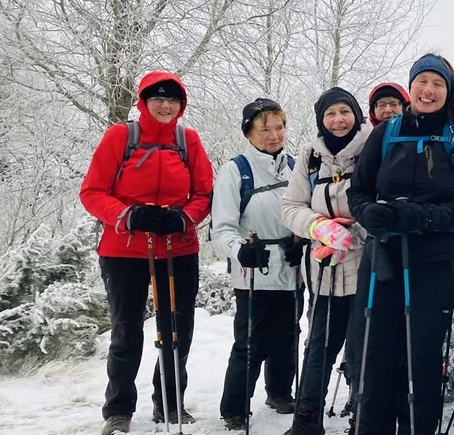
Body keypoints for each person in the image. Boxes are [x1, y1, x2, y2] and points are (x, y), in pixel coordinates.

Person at [347, 53, 454, 435]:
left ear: (449, 92)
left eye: (438, 84)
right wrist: (367, 213)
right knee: (375, 354)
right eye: (422, 82)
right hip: (385, 255)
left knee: (421, 355)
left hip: (439, 259)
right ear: (410, 87)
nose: (428, 90)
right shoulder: (387, 131)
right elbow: (358, 190)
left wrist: (429, 217)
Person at [80, 72, 215, 435]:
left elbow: (205, 192)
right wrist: (128, 214)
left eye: (172, 99)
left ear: (181, 104)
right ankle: (118, 410)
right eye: (157, 98)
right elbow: (92, 191)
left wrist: (185, 219)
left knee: (178, 328)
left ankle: (169, 403)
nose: (165, 105)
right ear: (144, 101)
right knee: (126, 330)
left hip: (177, 247)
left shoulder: (189, 141)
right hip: (124, 250)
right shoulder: (121, 137)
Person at [280, 87, 370, 435]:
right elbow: (290, 206)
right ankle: (306, 422)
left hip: (366, 268)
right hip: (323, 271)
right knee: (319, 347)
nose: (338, 120)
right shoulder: (311, 155)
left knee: (363, 351)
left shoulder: (372, 148)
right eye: (330, 113)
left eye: (344, 111)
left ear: (355, 114)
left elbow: (383, 200)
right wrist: (318, 226)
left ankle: (364, 420)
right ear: (321, 119)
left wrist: (353, 233)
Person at [212, 98, 305, 431]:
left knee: (288, 334)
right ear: (249, 132)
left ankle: (279, 392)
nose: (273, 135)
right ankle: (234, 407)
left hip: (292, 267)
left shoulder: (297, 166)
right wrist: (240, 251)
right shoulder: (235, 170)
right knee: (250, 340)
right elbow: (221, 228)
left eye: (279, 127)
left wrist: (303, 243)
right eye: (264, 129)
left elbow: (307, 212)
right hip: (254, 267)